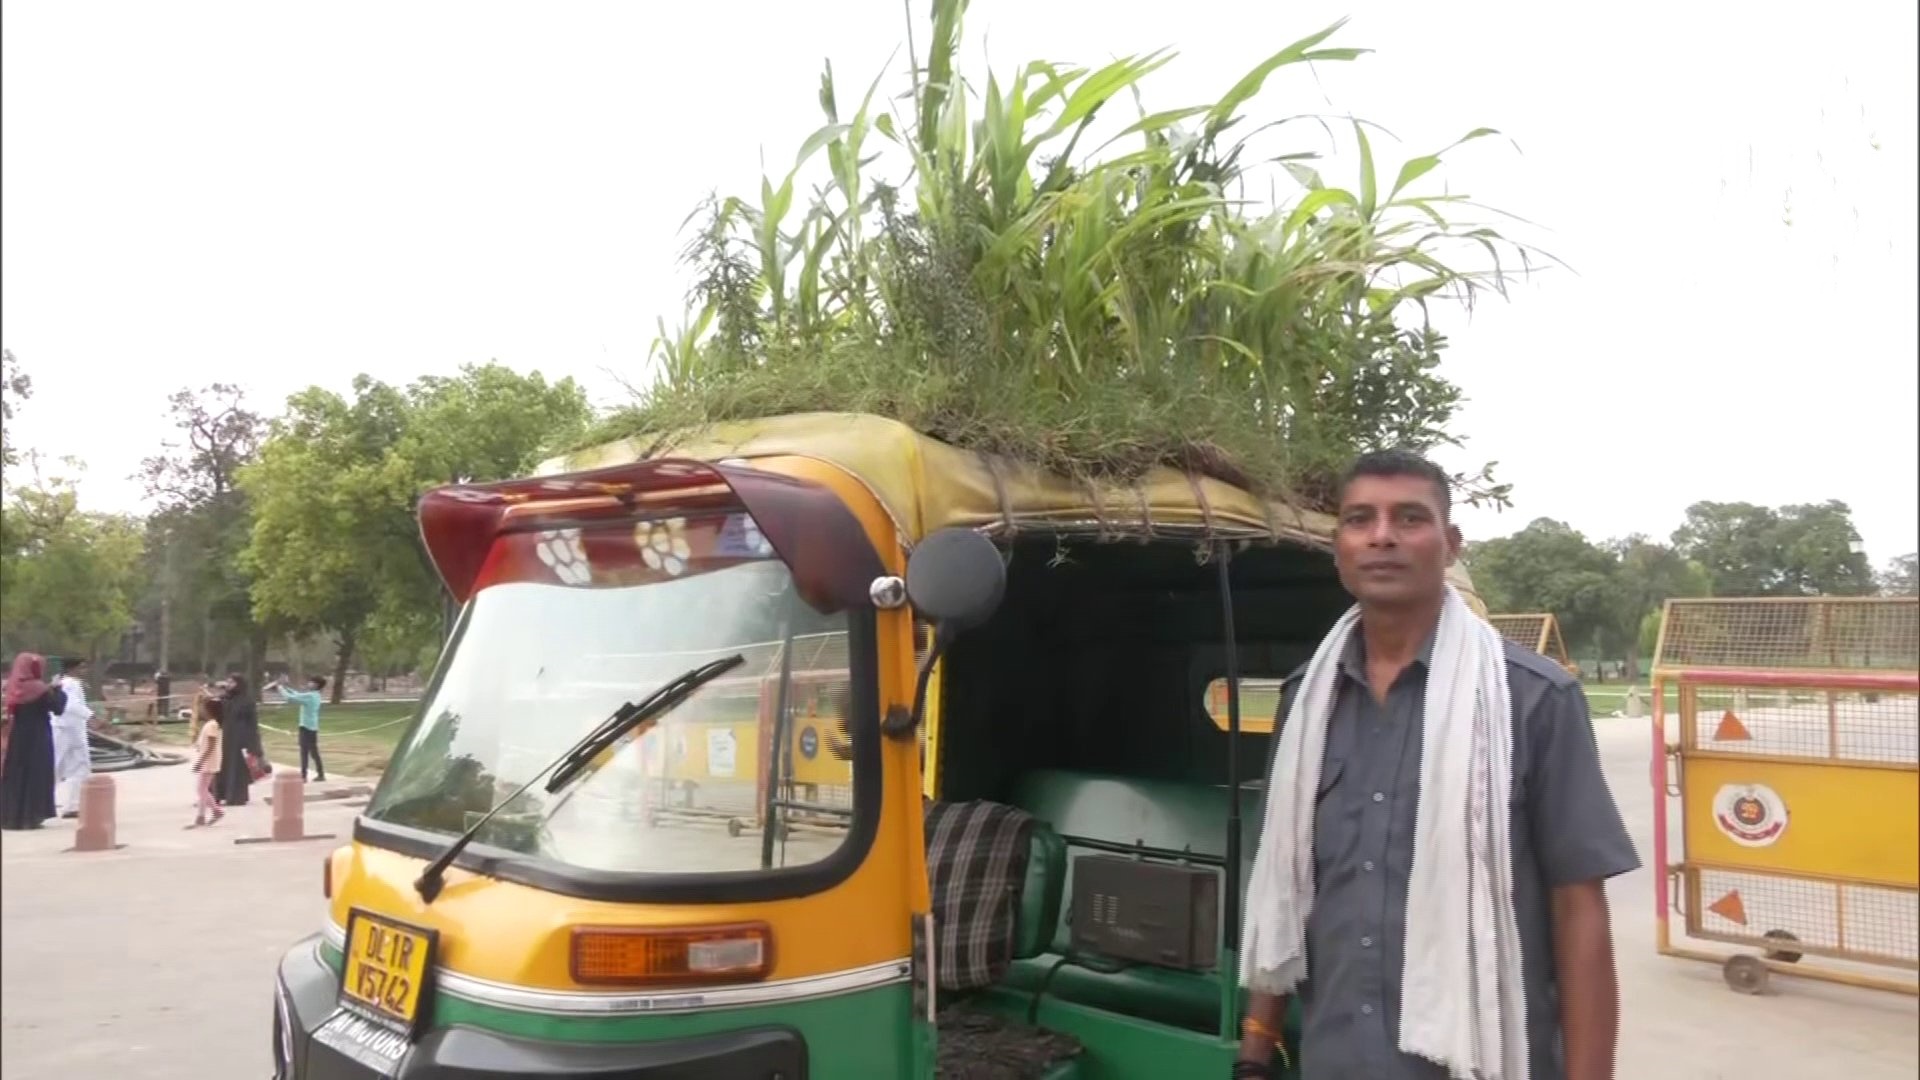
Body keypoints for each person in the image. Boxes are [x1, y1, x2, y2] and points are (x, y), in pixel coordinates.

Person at [1236, 450, 1638, 1080]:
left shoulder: (1533, 701)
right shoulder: (1305, 702)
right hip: (1334, 1061)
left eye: (1410, 518)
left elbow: (1578, 910)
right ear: (1338, 548)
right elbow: (1285, 888)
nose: (1383, 536)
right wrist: (1256, 1053)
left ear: (1449, 544)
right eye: (1359, 519)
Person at [1, 653, 68, 830]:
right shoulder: (39, 689)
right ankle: (31, 816)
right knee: (36, 772)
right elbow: (58, 708)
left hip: (18, 736)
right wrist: (57, 689)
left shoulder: (12, 687)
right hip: (38, 736)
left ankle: (11, 817)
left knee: (17, 773)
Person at [211, 673, 266, 806]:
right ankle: (217, 795)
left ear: (239, 684)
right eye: (228, 682)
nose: (229, 685)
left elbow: (252, 724)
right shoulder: (225, 699)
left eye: (232, 683)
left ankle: (236, 796)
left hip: (240, 739)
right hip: (225, 737)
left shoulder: (247, 701)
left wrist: (254, 745)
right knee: (221, 766)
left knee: (236, 768)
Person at [53, 657, 96, 819]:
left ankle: (72, 805)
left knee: (75, 767)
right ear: (72, 668)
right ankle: (65, 803)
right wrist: (91, 716)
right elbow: (70, 705)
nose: (84, 670)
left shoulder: (61, 683)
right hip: (67, 729)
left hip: (70, 729)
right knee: (62, 766)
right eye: (82, 667)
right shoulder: (70, 684)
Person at [268, 676, 328, 782]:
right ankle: (316, 774)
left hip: (307, 728)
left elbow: (291, 698)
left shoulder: (311, 696)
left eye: (311, 682)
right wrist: (285, 687)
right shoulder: (315, 695)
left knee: (306, 752)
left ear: (316, 685)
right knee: (311, 752)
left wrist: (280, 688)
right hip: (310, 727)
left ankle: (307, 776)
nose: (308, 683)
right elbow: (297, 694)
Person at [188, 696, 225, 827]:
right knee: (202, 788)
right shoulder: (212, 724)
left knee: (201, 789)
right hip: (209, 759)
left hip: (209, 760)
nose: (201, 711)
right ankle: (215, 811)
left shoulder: (212, 725)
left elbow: (211, 745)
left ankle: (202, 815)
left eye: (204, 708)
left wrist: (200, 761)